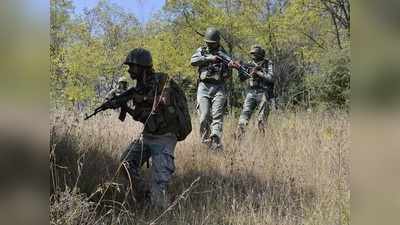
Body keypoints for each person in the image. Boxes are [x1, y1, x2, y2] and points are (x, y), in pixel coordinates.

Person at [118, 48, 191, 209]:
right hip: (148, 135)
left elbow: (163, 101)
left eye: (132, 66)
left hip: (165, 137)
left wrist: (141, 98)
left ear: (142, 66)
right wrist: (124, 106)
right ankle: (145, 196)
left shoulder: (163, 79)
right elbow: (141, 116)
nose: (129, 70)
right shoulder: (139, 87)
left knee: (159, 185)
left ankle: (158, 206)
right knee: (126, 163)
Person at [190, 27, 231, 151]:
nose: (210, 45)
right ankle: (205, 142)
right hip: (204, 87)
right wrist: (209, 58)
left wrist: (227, 66)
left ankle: (216, 141)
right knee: (204, 116)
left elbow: (228, 75)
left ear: (218, 42)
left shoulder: (224, 54)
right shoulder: (201, 50)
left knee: (217, 116)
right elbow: (193, 61)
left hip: (219, 87)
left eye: (212, 43)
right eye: (208, 43)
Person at [236, 45, 274, 137]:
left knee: (261, 119)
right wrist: (240, 70)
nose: (253, 56)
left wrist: (258, 72)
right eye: (252, 54)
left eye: (255, 54)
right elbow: (241, 78)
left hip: (264, 92)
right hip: (251, 92)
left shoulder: (267, 63)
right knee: (244, 116)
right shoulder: (248, 64)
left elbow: (271, 78)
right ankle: (239, 138)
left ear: (261, 54)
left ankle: (261, 140)